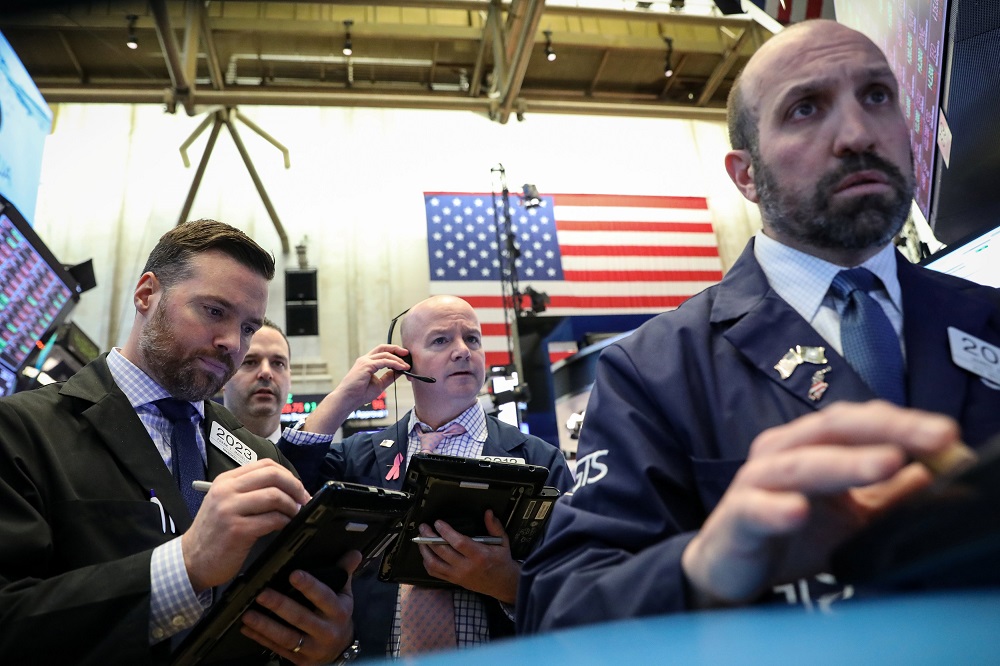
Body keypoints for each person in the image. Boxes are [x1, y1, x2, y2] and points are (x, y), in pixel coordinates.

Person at [518, 19, 1000, 633]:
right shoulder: (653, 368)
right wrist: (702, 567)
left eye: (876, 96)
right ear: (745, 174)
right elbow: (560, 606)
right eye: (805, 108)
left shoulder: (987, 317)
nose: (857, 134)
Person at [0, 220, 357, 665]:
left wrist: (330, 645)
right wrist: (185, 566)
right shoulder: (23, 430)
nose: (232, 342)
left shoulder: (262, 458)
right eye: (213, 311)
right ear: (147, 294)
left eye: (248, 327)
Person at [278, 294, 574, 657]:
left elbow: (579, 581)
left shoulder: (538, 460)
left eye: (473, 339)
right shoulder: (360, 456)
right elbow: (288, 481)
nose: (463, 351)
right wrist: (343, 398)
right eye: (441, 340)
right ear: (405, 362)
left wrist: (512, 584)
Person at [224, 319, 293, 442]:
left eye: (278, 363)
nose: (266, 372)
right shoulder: (197, 453)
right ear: (222, 376)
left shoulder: (312, 459)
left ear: (290, 379)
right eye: (249, 362)